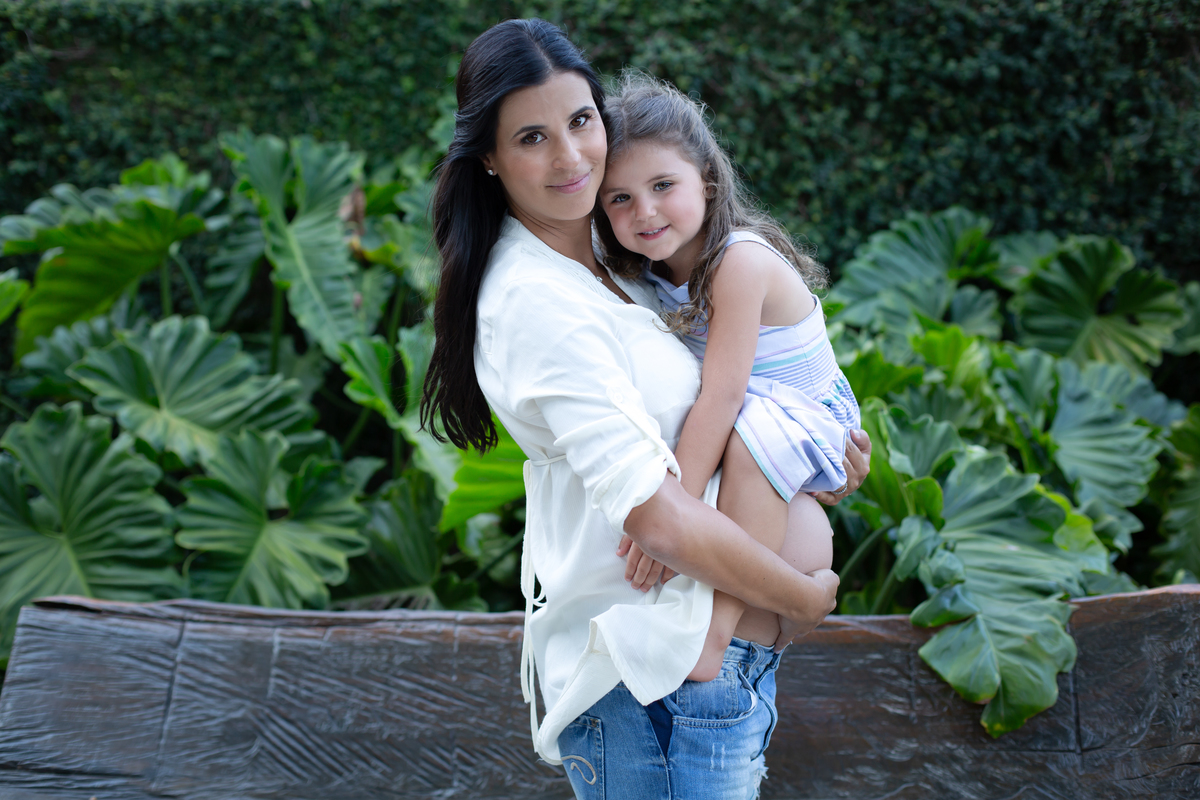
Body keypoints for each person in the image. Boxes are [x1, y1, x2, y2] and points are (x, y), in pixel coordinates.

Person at [420, 18, 870, 799]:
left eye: (580, 120)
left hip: (705, 682)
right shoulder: (535, 299)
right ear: (488, 158)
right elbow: (655, 518)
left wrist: (810, 456)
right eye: (532, 137)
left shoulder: (621, 260)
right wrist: (799, 595)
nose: (571, 156)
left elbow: (735, 397)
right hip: (657, 685)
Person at [595, 73, 863, 683]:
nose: (645, 211)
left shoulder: (738, 261)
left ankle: (715, 634)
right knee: (748, 428)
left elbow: (722, 397)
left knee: (747, 432)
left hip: (803, 415)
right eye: (620, 198)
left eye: (663, 186)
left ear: (708, 183)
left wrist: (673, 519)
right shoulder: (655, 272)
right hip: (765, 413)